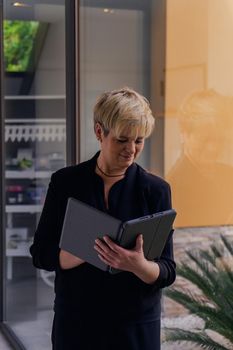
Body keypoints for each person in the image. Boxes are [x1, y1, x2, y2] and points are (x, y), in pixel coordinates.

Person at [30, 87, 176, 350]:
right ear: (99, 132)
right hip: (76, 325)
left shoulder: (156, 190)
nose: (131, 150)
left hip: (136, 329)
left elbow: (167, 271)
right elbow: (40, 254)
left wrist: (137, 264)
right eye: (122, 139)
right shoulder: (65, 183)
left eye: (139, 140)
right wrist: (79, 252)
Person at [166, 89, 233, 227]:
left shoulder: (228, 174)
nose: (213, 148)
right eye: (205, 139)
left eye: (219, 139)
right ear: (184, 134)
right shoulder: (173, 188)